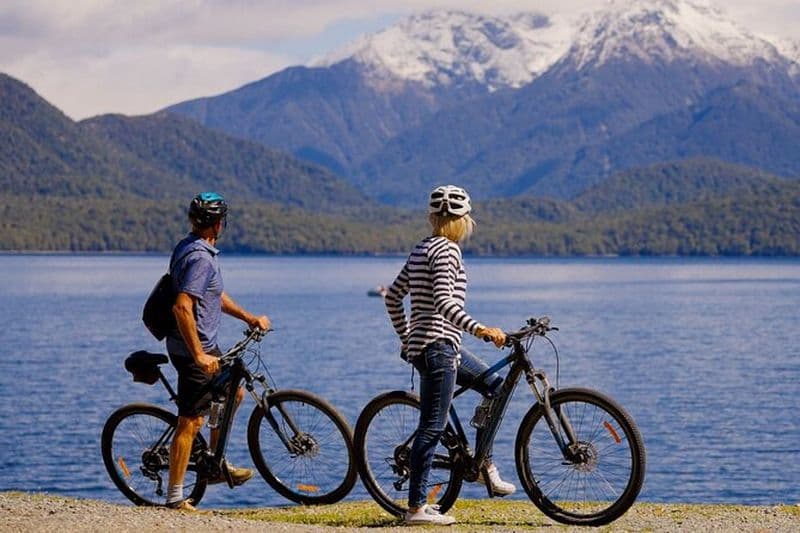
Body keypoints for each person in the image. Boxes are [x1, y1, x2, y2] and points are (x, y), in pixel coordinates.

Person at [384, 185, 515, 526]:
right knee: (432, 426)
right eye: (465, 219)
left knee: (495, 386)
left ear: (433, 218)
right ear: (461, 221)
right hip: (439, 348)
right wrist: (481, 329)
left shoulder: (421, 248)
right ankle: (416, 508)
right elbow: (446, 303)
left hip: (437, 346)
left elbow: (392, 298)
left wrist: (407, 338)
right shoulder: (447, 252)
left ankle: (484, 462)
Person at [165, 192, 270, 511]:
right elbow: (182, 307)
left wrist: (248, 317)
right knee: (190, 422)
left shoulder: (191, 248)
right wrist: (198, 355)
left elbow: (213, 295)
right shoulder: (200, 257)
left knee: (233, 392)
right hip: (192, 349)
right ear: (218, 223)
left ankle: (212, 462)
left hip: (204, 345)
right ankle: (174, 496)